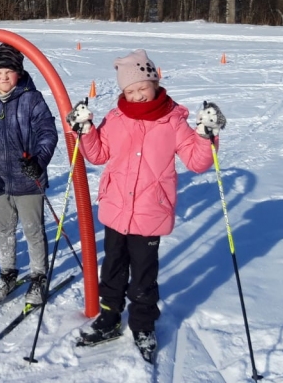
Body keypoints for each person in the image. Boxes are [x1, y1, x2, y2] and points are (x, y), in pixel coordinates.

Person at [65, 49, 225, 362]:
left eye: (142, 87)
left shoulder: (173, 121)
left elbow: (196, 161)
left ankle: (142, 324)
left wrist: (207, 136)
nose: (137, 95)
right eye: (130, 90)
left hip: (151, 212)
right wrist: (85, 131)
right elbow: (98, 154)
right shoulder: (117, 118)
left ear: (154, 82)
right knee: (111, 270)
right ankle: (109, 319)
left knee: (143, 275)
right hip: (115, 211)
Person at [0, 44, 58, 305]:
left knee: (33, 230)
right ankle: (7, 273)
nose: (3, 77)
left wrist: (38, 162)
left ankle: (38, 276)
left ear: (19, 72)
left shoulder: (32, 98)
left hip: (29, 180)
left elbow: (48, 133)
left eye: (9, 72)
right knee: (4, 230)